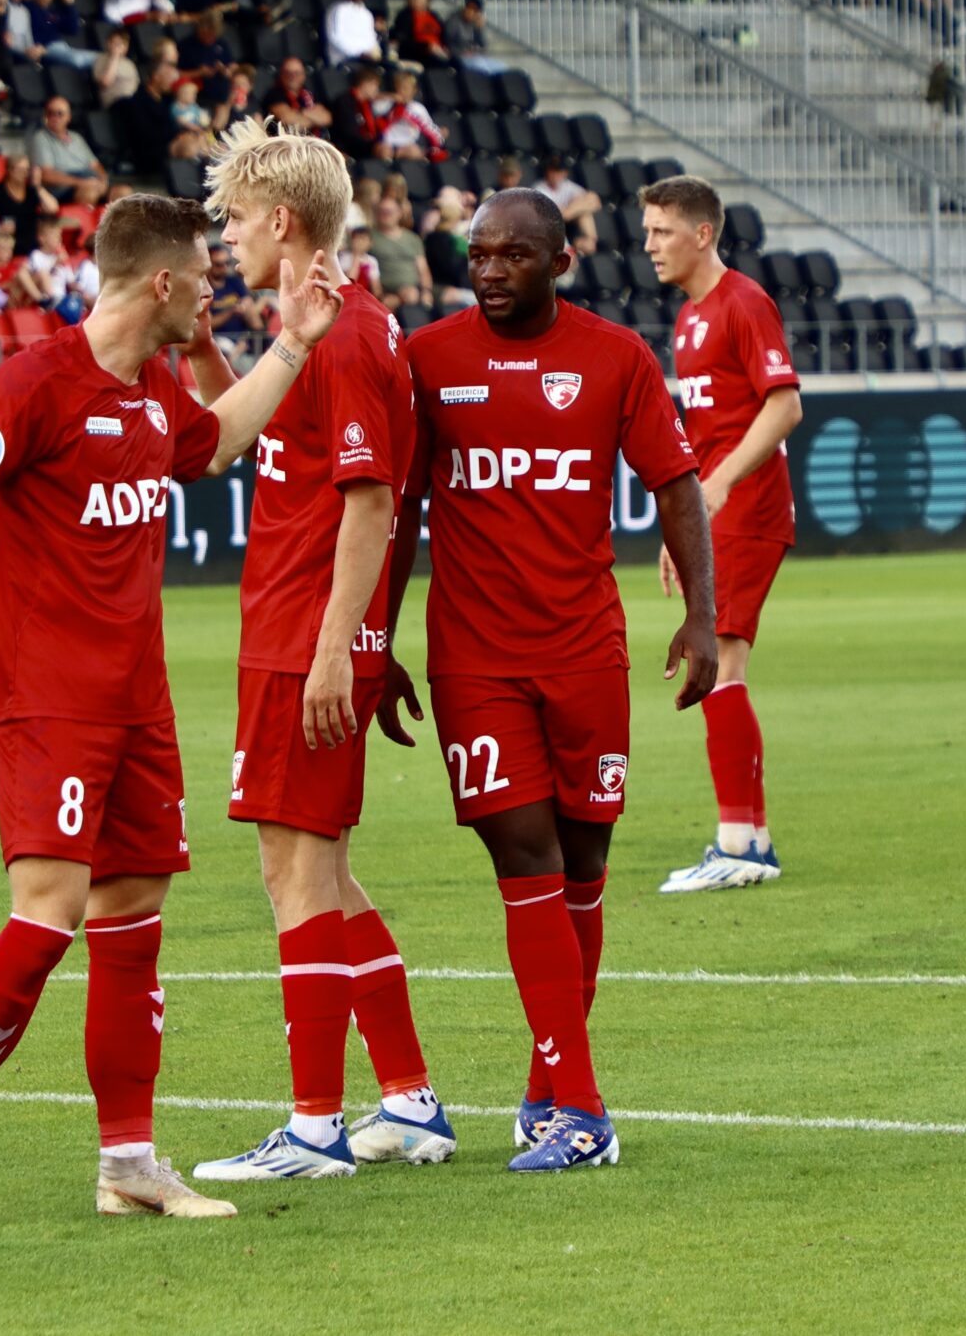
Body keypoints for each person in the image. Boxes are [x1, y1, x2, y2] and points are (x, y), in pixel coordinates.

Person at [0, 194, 345, 1227]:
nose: (211, 291)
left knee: (133, 921)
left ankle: (129, 1163)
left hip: (138, 705)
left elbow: (215, 444)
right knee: (47, 915)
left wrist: (292, 344)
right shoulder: (33, 383)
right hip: (46, 700)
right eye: (202, 277)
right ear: (161, 283)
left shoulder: (153, 388)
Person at [380, 188, 716, 1172]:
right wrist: (374, 639)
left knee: (583, 868)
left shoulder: (616, 357)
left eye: (513, 255)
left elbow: (676, 486)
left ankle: (545, 1088)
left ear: (560, 262)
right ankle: (584, 1110)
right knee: (524, 859)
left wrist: (702, 614)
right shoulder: (427, 359)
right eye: (478, 254)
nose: (489, 271)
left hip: (585, 652)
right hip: (475, 660)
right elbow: (398, 510)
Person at [169, 120, 458, 1181]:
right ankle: (409, 1101)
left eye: (239, 218)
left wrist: (339, 649)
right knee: (321, 870)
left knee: (293, 872)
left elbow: (371, 501)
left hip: (306, 634)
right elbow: (243, 438)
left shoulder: (343, 337)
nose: (229, 237)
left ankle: (313, 1127)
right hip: (303, 629)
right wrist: (204, 351)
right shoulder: (332, 324)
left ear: (284, 221)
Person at [633, 174, 800, 891]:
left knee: (724, 664)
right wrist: (683, 525)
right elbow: (703, 437)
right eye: (647, 231)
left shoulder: (744, 302)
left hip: (750, 508)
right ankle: (751, 840)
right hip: (717, 513)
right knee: (726, 666)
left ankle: (738, 844)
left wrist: (722, 484)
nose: (650, 245)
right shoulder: (689, 318)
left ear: (703, 234)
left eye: (662, 231)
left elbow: (784, 405)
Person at [26, 99, 108, 208]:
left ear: (68, 117)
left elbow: (95, 165)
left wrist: (103, 180)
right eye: (50, 113)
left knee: (122, 192)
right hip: (63, 187)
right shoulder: (40, 138)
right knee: (89, 191)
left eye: (60, 113)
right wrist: (82, 182)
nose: (55, 117)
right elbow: (47, 175)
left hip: (89, 180)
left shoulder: (77, 137)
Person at [325, 0, 383, 67]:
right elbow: (335, 38)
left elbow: (371, 37)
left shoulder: (366, 13)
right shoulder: (337, 9)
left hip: (366, 58)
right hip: (343, 59)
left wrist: (373, 52)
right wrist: (359, 53)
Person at [444, 0, 506, 77]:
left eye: (475, 10)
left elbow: (483, 45)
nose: (471, 12)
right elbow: (448, 44)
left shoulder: (475, 23)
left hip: (475, 56)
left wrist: (479, 29)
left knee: (502, 67)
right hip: (459, 57)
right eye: (469, 8)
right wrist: (463, 52)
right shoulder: (453, 21)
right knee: (481, 67)